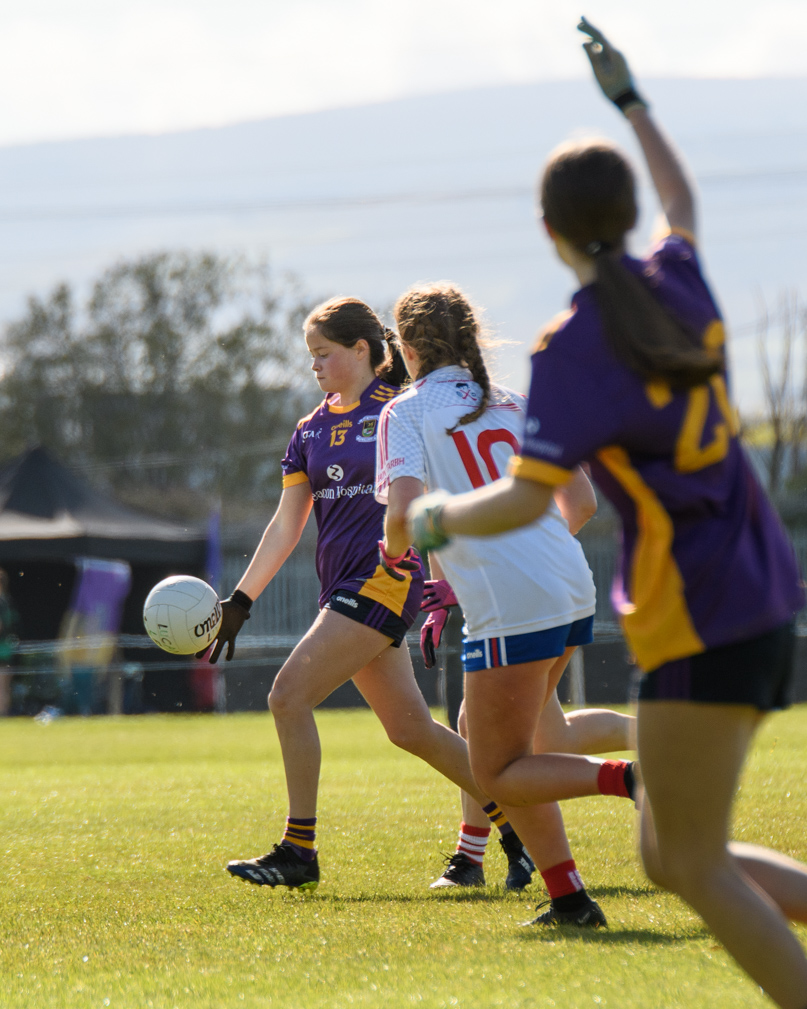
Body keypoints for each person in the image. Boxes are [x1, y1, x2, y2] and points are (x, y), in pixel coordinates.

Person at [408, 18, 807, 1006]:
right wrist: (630, 102)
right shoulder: (676, 278)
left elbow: (526, 501)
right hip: (761, 589)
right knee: (672, 854)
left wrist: (436, 521)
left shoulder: (575, 345)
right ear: (627, 219)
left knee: (691, 859)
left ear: (549, 233)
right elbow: (685, 197)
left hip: (695, 609)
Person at [202, 296, 536, 891]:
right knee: (411, 731)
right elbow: (287, 524)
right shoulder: (309, 430)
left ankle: (298, 851)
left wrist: (439, 579)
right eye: (310, 357)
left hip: (385, 579)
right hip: (344, 592)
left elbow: (425, 504)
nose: (315, 366)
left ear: (363, 350)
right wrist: (242, 600)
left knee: (287, 696)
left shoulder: (399, 412)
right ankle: (522, 836)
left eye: (324, 354)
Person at [377, 281, 636, 924]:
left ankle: (634, 779)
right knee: (530, 741)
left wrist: (392, 559)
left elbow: (404, 516)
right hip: (570, 585)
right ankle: (570, 898)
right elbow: (581, 504)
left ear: (406, 347)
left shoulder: (405, 412)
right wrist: (532, 556)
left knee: (495, 771)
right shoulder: (515, 403)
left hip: (512, 603)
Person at [0, 569, 18, 716]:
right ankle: (4, 713)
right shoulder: (8, 601)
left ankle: (3, 715)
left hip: (2, 650)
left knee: (2, 687)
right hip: (7, 650)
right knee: (5, 687)